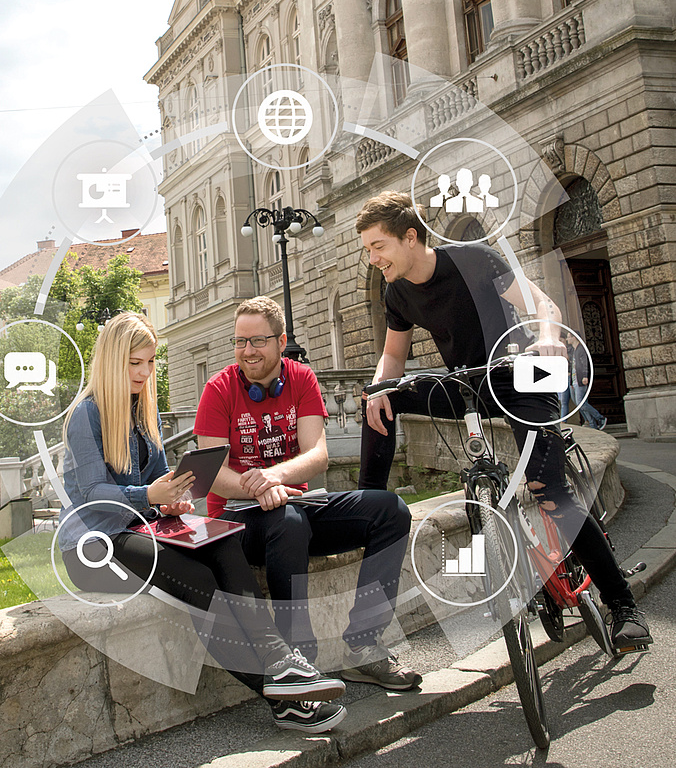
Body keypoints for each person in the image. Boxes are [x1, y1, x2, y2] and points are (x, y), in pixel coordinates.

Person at [355, 190, 651, 650]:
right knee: (380, 402)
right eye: (368, 249)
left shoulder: (474, 260)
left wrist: (550, 341)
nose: (373, 258)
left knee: (550, 492)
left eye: (378, 247)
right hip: (471, 381)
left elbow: (544, 308)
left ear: (409, 238)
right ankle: (368, 506)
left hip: (524, 371)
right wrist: (377, 389)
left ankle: (623, 606)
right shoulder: (397, 292)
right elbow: (393, 356)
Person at [59, 312, 347, 733]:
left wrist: (172, 500)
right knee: (199, 580)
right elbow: (91, 495)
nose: (143, 373)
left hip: (141, 527)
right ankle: (284, 692)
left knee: (223, 542)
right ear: (110, 361)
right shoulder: (86, 415)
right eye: (133, 363)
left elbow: (161, 480)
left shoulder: (143, 412)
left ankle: (281, 664)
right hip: (93, 545)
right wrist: (149, 497)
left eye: (150, 362)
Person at [194, 296, 421, 691]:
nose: (247, 351)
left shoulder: (301, 378)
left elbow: (317, 455)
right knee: (288, 522)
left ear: (282, 342)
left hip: (295, 505)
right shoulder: (218, 389)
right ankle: (299, 659)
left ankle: (364, 647)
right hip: (237, 522)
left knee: (391, 510)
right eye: (239, 342)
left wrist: (273, 477)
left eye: (258, 341)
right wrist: (260, 489)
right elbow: (210, 474)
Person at [559, 336, 607, 431]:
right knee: (579, 403)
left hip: (580, 380)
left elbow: (584, 363)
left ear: (574, 337)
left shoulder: (580, 349)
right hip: (573, 381)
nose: (568, 339)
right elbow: (574, 366)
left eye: (568, 337)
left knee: (581, 403)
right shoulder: (574, 350)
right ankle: (592, 425)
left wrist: (585, 376)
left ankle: (600, 418)